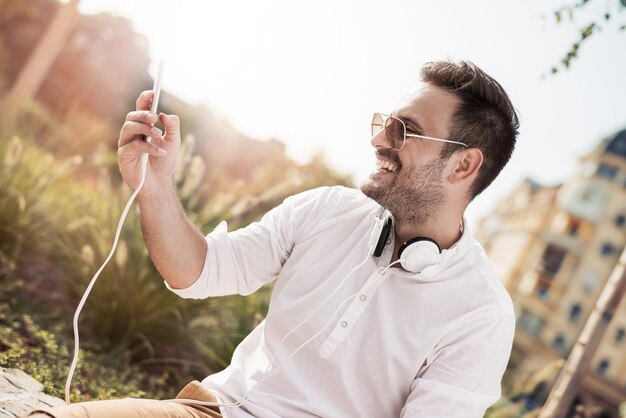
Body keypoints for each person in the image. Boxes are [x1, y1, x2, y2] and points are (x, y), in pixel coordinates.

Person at [29, 60, 519, 418]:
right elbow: (196, 271)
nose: (379, 138)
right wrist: (156, 186)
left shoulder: (482, 315)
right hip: (214, 412)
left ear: (464, 164)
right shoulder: (328, 208)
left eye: (404, 129)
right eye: (383, 122)